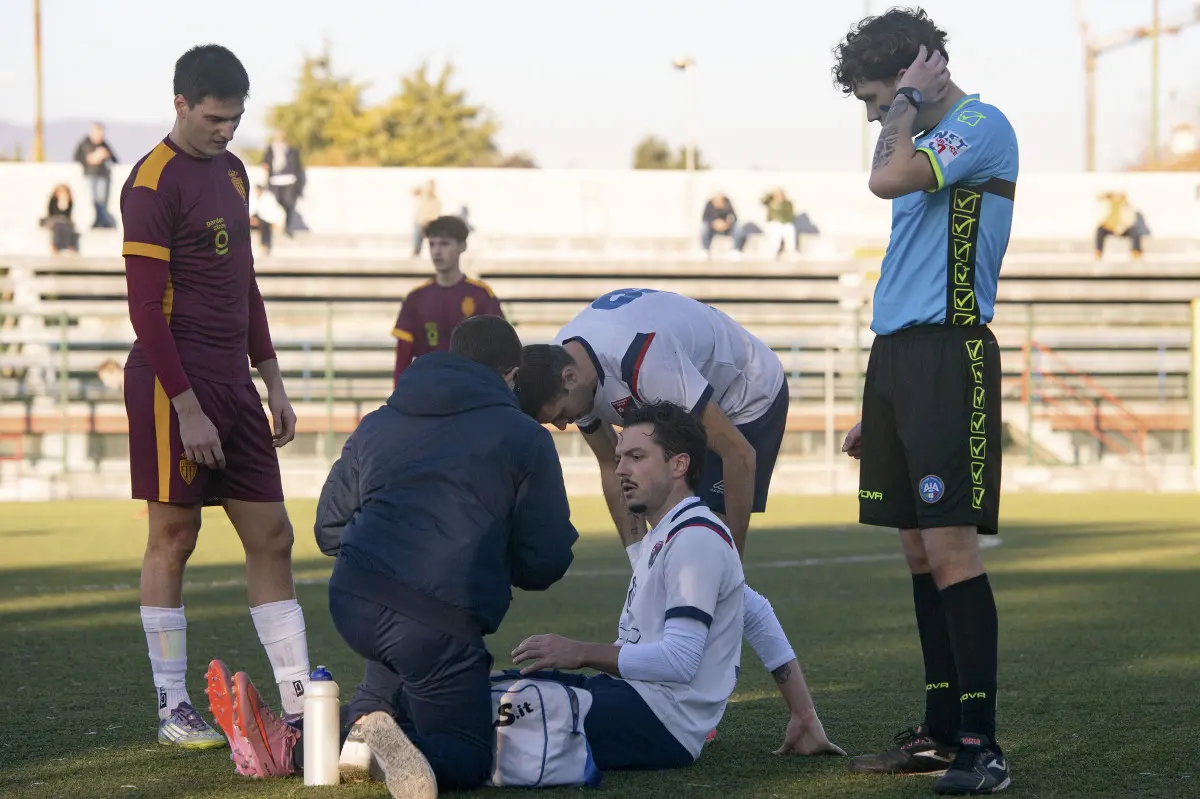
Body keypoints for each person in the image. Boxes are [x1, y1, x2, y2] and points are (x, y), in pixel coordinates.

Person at [208, 315, 579, 797]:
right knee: (466, 753)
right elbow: (545, 559)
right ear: (510, 375)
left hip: (355, 597)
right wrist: (483, 558)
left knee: (384, 694)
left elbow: (329, 528)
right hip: (434, 617)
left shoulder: (380, 420)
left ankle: (287, 745)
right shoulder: (525, 436)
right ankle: (366, 751)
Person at [516, 288, 843, 757]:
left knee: (710, 579)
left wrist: (726, 562)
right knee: (679, 575)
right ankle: (803, 718)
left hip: (746, 399)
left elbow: (738, 453)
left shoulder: (645, 361)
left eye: (562, 415)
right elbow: (610, 463)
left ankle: (693, 713)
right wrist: (640, 555)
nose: (565, 425)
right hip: (671, 396)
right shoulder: (568, 368)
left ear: (570, 379)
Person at [832, 7, 1017, 794]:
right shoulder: (917, 139)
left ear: (918, 69)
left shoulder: (979, 125)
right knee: (916, 550)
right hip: (902, 360)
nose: (876, 116)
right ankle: (941, 734)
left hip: (950, 353)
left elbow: (884, 180)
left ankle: (982, 745)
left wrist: (904, 101)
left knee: (950, 553)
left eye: (879, 97)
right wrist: (882, 405)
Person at [120, 44, 310, 750]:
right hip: (175, 383)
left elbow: (245, 283)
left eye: (235, 119)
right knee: (174, 536)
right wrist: (187, 406)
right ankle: (173, 706)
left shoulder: (233, 172)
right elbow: (145, 309)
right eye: (214, 118)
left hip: (235, 380)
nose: (226, 131)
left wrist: (273, 377)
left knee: (274, 536)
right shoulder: (150, 182)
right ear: (181, 104)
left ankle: (300, 707)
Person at [508, 401, 745, 770]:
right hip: (631, 695)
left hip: (661, 722)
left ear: (679, 465)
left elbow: (680, 661)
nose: (621, 470)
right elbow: (754, 609)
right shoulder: (665, 533)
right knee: (496, 690)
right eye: (620, 458)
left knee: (501, 716)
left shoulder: (696, 539)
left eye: (637, 456)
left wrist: (582, 651)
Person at [391, 215, 504, 385]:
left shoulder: (482, 294)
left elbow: (500, 348)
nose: (436, 251)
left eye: (444, 244)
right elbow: (402, 358)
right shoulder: (415, 298)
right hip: (429, 389)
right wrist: (399, 394)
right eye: (432, 244)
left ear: (462, 246)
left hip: (471, 389)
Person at [73, 122, 118, 228]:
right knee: (93, 201)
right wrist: (89, 159)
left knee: (102, 201)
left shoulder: (104, 144)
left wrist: (106, 154)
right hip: (90, 175)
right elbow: (76, 158)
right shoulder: (84, 143)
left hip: (103, 175)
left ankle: (101, 222)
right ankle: (99, 221)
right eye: (97, 132)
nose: (99, 134)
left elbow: (115, 160)